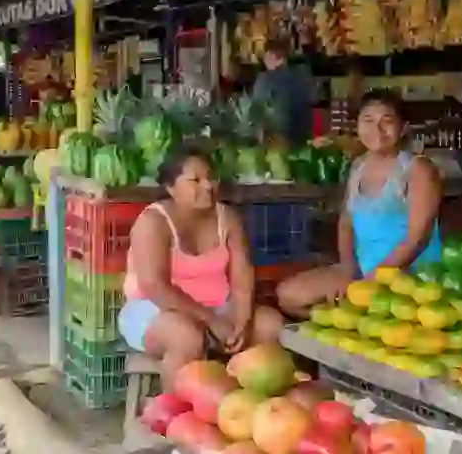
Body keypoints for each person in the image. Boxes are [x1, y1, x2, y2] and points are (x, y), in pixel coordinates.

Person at [119, 145, 286, 378]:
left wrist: (242, 321)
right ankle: (176, 411)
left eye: (211, 178)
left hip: (218, 307)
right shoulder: (153, 222)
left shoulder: (227, 218)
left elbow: (242, 276)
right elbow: (155, 287)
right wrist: (211, 321)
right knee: (186, 337)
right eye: (195, 180)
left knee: (271, 325)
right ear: (171, 187)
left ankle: (248, 406)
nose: (208, 185)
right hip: (155, 311)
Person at [278, 89, 443, 317]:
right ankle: (347, 325)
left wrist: (374, 278)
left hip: (409, 274)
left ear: (403, 128)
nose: (377, 129)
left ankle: (359, 322)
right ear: (357, 126)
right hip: (362, 270)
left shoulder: (417, 169)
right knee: (289, 295)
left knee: (371, 311)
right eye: (368, 120)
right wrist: (348, 269)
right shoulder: (358, 167)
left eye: (387, 121)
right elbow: (346, 222)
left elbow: (417, 238)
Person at [252, 38, 315, 143]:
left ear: (271, 56)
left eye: (265, 57)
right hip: (303, 136)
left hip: (278, 140)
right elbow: (313, 99)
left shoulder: (264, 80)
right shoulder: (304, 74)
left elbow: (257, 111)